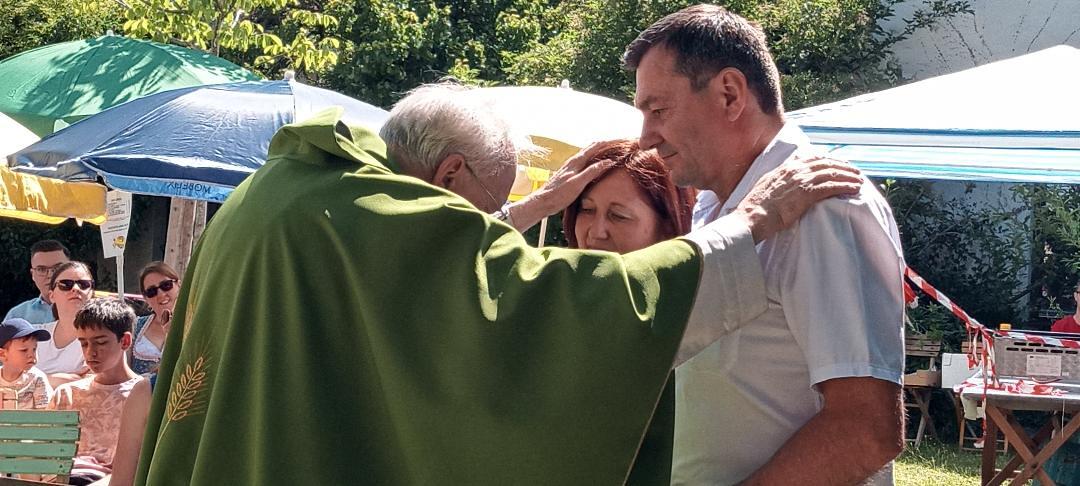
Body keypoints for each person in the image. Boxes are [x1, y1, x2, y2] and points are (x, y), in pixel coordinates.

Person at [135, 85, 863, 485]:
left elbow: (420, 275)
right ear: (449, 173)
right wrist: (749, 223)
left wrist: (525, 209)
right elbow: (548, 313)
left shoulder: (291, 191)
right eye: (480, 213)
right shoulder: (371, 217)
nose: (481, 231)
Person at [624, 5, 905, 485]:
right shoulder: (713, 205)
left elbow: (866, 429)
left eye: (659, 110)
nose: (646, 138)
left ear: (730, 94)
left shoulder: (826, 207)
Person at [51, 298, 141, 485]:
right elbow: (44, 455)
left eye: (100, 343)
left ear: (125, 341)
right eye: (84, 344)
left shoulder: (141, 395)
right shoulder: (67, 394)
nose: (90, 352)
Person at [38, 261, 93, 386]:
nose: (76, 289)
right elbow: (11, 379)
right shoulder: (35, 335)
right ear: (52, 296)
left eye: (84, 284)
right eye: (65, 284)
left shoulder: (103, 337)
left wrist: (36, 380)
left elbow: (94, 384)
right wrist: (56, 379)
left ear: (91, 293)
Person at [5, 240, 71, 326]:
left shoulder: (85, 310)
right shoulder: (17, 316)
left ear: (72, 269)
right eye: (41, 269)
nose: (51, 275)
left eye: (58, 267)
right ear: (33, 274)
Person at [130, 262, 180, 375]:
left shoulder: (195, 324)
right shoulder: (135, 326)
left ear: (179, 285)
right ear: (146, 298)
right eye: (151, 291)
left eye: (166, 285)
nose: (161, 294)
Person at [0, 318, 53, 410]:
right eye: (24, 350)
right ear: (3, 354)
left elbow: (45, 413)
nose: (32, 355)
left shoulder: (37, 379)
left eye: (34, 349)